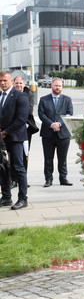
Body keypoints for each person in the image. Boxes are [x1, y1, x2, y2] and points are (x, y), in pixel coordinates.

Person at [0, 71, 29, 210]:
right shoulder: (0, 96)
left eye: (5, 80)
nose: (3, 83)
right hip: (1, 139)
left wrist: (5, 132)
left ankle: (23, 199)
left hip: (15, 137)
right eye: (0, 81)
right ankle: (6, 197)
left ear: (11, 80)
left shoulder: (20, 96)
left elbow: (21, 119)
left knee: (18, 168)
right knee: (2, 168)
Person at [38, 78, 74, 187]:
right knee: (48, 158)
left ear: (62, 87)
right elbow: (41, 114)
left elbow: (69, 114)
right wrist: (51, 124)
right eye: (55, 85)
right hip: (47, 134)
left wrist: (59, 123)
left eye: (59, 86)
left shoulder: (67, 99)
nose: (57, 87)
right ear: (51, 86)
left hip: (63, 134)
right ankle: (48, 179)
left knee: (62, 158)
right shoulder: (44, 99)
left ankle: (63, 178)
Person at [13, 76, 38, 185]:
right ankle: (13, 179)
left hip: (26, 128)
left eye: (20, 83)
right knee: (13, 154)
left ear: (24, 84)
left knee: (25, 154)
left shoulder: (28, 94)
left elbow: (28, 110)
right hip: (12, 128)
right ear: (13, 84)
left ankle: (23, 179)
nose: (18, 85)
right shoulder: (11, 93)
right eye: (16, 83)